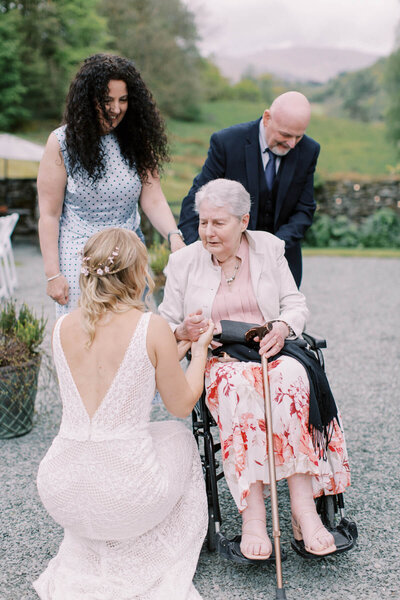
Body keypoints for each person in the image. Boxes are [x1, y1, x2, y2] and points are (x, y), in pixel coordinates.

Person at [159, 179, 350, 560]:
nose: (207, 232)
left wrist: (281, 326)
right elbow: (164, 325)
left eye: (219, 223)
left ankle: (304, 509)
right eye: (203, 223)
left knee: (293, 381)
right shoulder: (183, 262)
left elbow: (295, 304)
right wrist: (182, 331)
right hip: (220, 360)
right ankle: (254, 516)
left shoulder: (269, 248)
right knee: (239, 391)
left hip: (271, 353)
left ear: (243, 220)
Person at [33, 227, 213, 599]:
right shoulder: (151, 326)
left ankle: (101, 535)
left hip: (62, 489)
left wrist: (170, 349)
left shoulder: (61, 326)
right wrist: (199, 352)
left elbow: (122, 374)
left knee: (151, 438)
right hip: (126, 494)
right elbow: (180, 405)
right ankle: (148, 544)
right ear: (135, 274)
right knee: (179, 437)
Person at [38, 53, 185, 317]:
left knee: (130, 338)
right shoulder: (61, 143)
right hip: (79, 258)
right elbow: (49, 214)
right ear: (87, 100)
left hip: (129, 257)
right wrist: (53, 274)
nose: (116, 109)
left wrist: (174, 236)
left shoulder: (138, 141)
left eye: (123, 100)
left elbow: (153, 199)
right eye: (107, 101)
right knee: (85, 338)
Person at [178, 91, 320, 287]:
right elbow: (196, 201)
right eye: (286, 135)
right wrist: (202, 255)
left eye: (299, 136)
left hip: (282, 263)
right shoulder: (227, 143)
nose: (292, 144)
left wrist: (273, 248)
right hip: (227, 262)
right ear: (267, 118)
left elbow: (304, 210)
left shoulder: (309, 150)